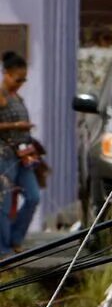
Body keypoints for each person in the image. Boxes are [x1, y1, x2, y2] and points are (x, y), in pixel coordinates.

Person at [2, 49, 46, 256]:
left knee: (33, 196)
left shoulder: (17, 98)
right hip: (4, 155)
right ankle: (3, 247)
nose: (20, 84)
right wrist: (15, 125)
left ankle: (15, 238)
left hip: (23, 154)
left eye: (23, 80)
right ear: (7, 74)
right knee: (4, 202)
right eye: (17, 79)